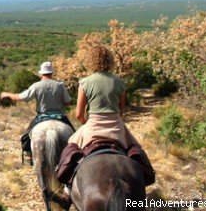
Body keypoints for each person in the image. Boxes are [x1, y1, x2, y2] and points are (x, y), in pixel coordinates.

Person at [60, 44, 154, 185]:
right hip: (116, 126)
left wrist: (86, 124)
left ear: (90, 61)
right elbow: (121, 110)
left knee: (70, 146)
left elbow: (79, 114)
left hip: (92, 126)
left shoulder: (85, 82)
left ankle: (66, 187)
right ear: (110, 61)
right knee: (136, 149)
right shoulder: (120, 82)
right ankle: (148, 178)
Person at [0, 61, 74, 165]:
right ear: (51, 73)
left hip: (42, 117)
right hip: (60, 117)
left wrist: (8, 94)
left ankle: (28, 158)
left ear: (41, 73)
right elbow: (68, 102)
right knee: (74, 136)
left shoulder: (36, 86)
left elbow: (21, 97)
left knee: (25, 137)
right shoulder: (60, 85)